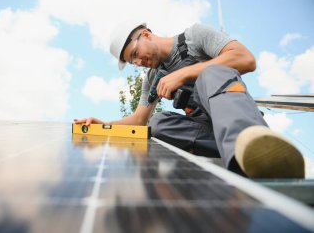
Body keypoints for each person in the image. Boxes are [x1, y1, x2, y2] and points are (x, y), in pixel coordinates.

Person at [74, 21, 305, 178]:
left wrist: (184, 73)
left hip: (239, 123)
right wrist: (101, 125)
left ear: (145, 34)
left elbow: (245, 59)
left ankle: (252, 147)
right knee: (157, 123)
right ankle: (233, 158)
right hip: (209, 136)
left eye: (135, 54)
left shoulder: (195, 37)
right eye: (133, 62)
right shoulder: (152, 78)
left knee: (211, 73)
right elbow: (138, 121)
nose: (138, 63)